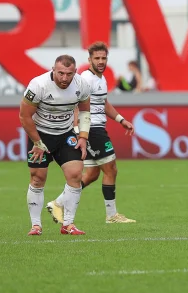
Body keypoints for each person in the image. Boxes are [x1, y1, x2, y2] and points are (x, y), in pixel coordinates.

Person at [47, 42, 137, 224]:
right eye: (97, 58)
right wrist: (76, 130)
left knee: (92, 175)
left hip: (95, 129)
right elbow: (73, 103)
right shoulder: (85, 80)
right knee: (111, 169)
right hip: (92, 130)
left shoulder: (101, 79)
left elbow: (103, 103)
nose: (101, 61)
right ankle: (112, 215)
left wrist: (121, 120)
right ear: (89, 60)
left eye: (103, 58)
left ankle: (58, 203)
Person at [19, 55, 92, 236]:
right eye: (60, 73)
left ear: (75, 72)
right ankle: (36, 225)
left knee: (75, 175)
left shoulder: (81, 85)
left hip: (66, 134)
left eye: (69, 74)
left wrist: (82, 136)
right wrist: (37, 142)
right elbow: (24, 116)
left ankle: (68, 224)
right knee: (37, 178)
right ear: (53, 69)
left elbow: (84, 111)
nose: (64, 78)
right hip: (40, 135)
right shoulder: (38, 85)